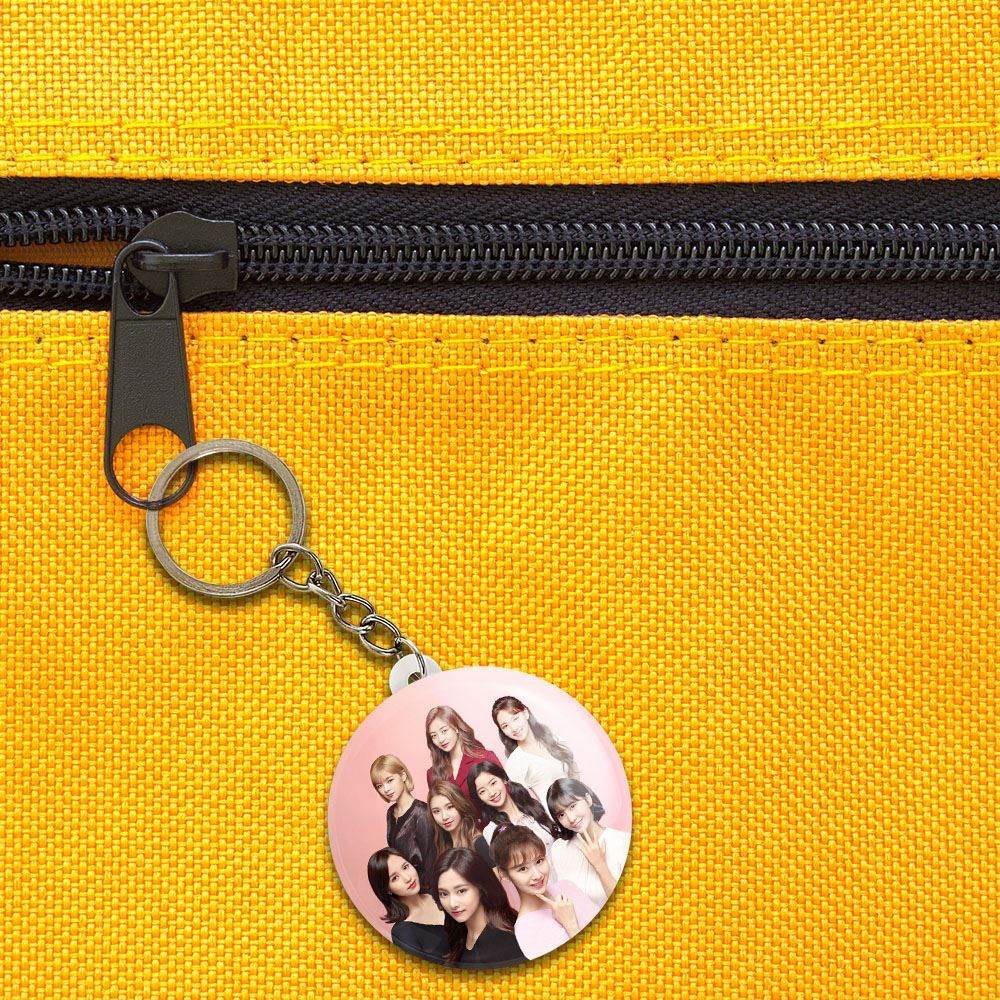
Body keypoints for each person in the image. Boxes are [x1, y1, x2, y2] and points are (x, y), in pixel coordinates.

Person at [491, 825, 598, 960]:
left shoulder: (567, 886)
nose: (537, 875)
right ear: (504, 874)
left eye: (539, 861)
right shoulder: (526, 930)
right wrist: (571, 925)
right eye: (522, 869)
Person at [433, 847, 524, 967]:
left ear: (480, 888)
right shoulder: (457, 935)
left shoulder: (504, 943)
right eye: (444, 894)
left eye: (461, 891)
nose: (452, 903)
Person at [491, 694, 579, 813]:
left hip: (580, 808)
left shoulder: (552, 738)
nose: (514, 728)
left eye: (515, 718)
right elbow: (526, 805)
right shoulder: (515, 763)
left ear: (525, 713)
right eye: (505, 726)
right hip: (556, 817)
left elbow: (573, 771)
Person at [547, 778, 629, 905]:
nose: (571, 818)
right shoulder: (559, 849)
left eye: (572, 806)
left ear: (588, 799)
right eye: (561, 814)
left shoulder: (622, 843)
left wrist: (600, 865)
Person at [367, 848, 448, 963]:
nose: (407, 878)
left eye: (405, 867)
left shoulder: (439, 891)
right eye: (395, 878)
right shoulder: (404, 932)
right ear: (387, 889)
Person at [370, 754, 437, 887]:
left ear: (403, 775)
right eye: (379, 786)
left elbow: (431, 863)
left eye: (390, 780)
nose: (386, 789)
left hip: (423, 887)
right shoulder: (391, 813)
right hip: (403, 885)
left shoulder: (422, 813)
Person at [467, 760, 560, 847]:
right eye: (482, 791)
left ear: (503, 779)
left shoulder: (532, 804)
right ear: (479, 798)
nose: (491, 793)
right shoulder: (492, 831)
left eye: (493, 783)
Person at [424, 706, 503, 803]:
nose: (440, 739)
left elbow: (507, 793)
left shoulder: (485, 757)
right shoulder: (433, 774)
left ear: (456, 727)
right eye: (434, 736)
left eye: (444, 731)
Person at [427, 779, 495, 871]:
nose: (444, 816)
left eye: (450, 807)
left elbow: (496, 879)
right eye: (436, 811)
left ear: (460, 804)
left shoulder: (478, 843)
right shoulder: (443, 847)